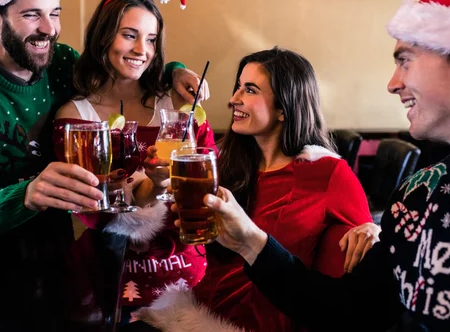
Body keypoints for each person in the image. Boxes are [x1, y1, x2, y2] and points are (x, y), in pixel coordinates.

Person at [169, 0, 450, 331]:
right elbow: (349, 311)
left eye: (405, 61)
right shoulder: (417, 195)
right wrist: (250, 241)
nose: (393, 84)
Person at [0, 0, 208, 258]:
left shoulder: (61, 61)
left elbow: (120, 75)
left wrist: (173, 73)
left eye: (54, 13)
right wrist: (26, 194)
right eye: (31, 15)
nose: (49, 28)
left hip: (61, 252)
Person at [139, 47, 379, 332]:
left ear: (283, 108)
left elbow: (364, 251)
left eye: (249, 90)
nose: (233, 99)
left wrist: (373, 229)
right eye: (238, 87)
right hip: (198, 311)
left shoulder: (326, 172)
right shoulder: (227, 165)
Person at [53, 0, 217, 322]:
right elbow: (89, 210)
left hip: (186, 278)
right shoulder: (74, 117)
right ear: (102, 38)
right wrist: (149, 189)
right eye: (130, 36)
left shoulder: (178, 107)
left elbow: (209, 182)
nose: (142, 50)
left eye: (152, 39)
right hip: (107, 284)